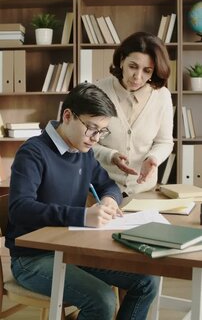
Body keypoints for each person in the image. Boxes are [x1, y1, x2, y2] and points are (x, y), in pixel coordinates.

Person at [5, 83, 159, 320]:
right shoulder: (33, 152)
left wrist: (109, 200)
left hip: (72, 249)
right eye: (92, 129)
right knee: (102, 299)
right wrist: (82, 216)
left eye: (102, 132)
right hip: (32, 258)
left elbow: (108, 185)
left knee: (145, 282)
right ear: (67, 116)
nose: (96, 139)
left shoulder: (83, 152)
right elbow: (19, 209)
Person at [94, 31, 174, 196]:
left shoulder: (162, 96)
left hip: (143, 192)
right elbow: (83, 141)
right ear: (122, 60)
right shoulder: (97, 91)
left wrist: (153, 158)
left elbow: (165, 142)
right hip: (99, 190)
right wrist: (111, 155)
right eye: (133, 66)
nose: (138, 77)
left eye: (147, 70)